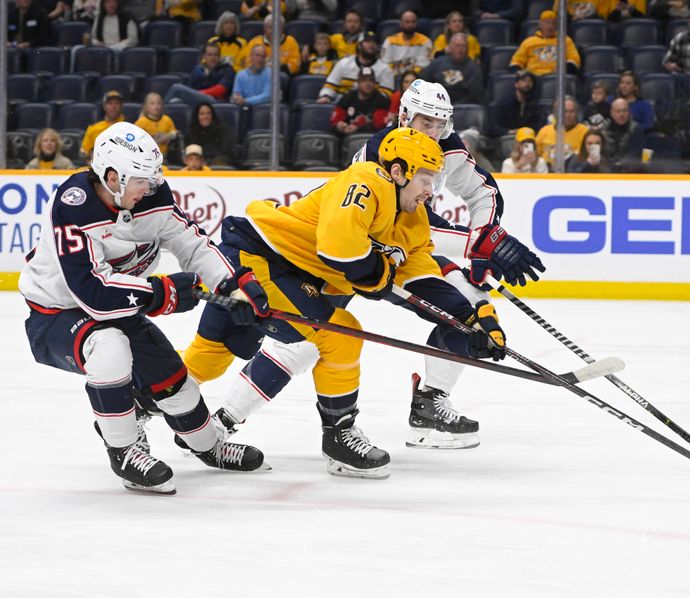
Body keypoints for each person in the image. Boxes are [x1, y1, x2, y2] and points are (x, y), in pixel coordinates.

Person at [208, 81, 545, 452]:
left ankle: (430, 402)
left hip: (390, 253)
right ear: (404, 117)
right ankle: (222, 420)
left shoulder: (446, 150)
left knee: (470, 304)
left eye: (439, 124)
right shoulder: (382, 157)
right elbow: (393, 228)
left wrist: (483, 240)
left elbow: (479, 194)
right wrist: (478, 243)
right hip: (336, 256)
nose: (432, 132)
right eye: (424, 122)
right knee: (306, 343)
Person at [183, 128, 510, 478]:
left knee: (207, 358)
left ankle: (153, 410)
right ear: (398, 171)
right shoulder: (365, 182)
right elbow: (342, 251)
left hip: (287, 275)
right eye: (426, 178)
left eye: (436, 180)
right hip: (256, 260)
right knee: (341, 334)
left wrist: (469, 320)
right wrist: (382, 276)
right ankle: (339, 438)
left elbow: (423, 280)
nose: (431, 191)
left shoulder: (413, 222)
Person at [18, 121, 270, 495]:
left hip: (119, 305)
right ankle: (123, 449)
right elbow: (92, 291)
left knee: (176, 384)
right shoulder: (74, 206)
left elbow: (191, 243)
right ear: (112, 175)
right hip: (56, 314)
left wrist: (234, 284)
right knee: (110, 349)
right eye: (141, 180)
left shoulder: (151, 196)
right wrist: (161, 293)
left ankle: (208, 446)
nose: (150, 188)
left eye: (153, 179)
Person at [318, 32, 394, 103]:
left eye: (374, 42)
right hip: (342, 102)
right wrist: (326, 96)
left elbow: (386, 94)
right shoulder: (343, 63)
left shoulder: (385, 69)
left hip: (370, 105)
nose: (372, 45)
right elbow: (330, 85)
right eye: (368, 42)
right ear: (359, 45)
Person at [510, 10, 581, 76]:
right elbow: (516, 61)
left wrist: (563, 70)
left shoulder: (565, 40)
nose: (550, 26)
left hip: (556, 77)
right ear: (540, 24)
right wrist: (519, 73)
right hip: (533, 79)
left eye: (553, 23)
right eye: (547, 23)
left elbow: (574, 59)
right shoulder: (528, 42)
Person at [420, 32, 485, 105]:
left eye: (463, 46)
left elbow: (475, 96)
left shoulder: (474, 69)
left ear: (467, 49)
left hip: (461, 108)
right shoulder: (438, 63)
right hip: (436, 105)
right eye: (457, 46)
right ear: (450, 47)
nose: (460, 49)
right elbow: (423, 80)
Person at [163, 42, 236, 106]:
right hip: (199, 102)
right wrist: (193, 95)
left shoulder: (227, 69)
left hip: (217, 102)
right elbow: (190, 87)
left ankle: (160, 116)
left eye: (215, 55)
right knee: (175, 101)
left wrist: (197, 93)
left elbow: (220, 90)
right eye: (209, 55)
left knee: (177, 88)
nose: (213, 58)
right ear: (204, 56)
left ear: (219, 56)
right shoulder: (198, 70)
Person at [330, 67, 391, 135]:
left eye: (371, 80)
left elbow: (378, 126)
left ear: (374, 83)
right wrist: (338, 126)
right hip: (346, 138)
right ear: (358, 83)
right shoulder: (347, 98)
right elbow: (335, 120)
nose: (368, 83)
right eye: (364, 80)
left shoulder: (381, 100)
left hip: (370, 138)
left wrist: (358, 129)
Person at [236, 13, 301, 75]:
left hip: (281, 74)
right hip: (258, 74)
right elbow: (247, 62)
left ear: (283, 28)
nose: (274, 31)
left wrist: (278, 66)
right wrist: (262, 65)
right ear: (264, 28)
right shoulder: (255, 42)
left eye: (277, 28)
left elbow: (296, 64)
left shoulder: (291, 41)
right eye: (270, 28)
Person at [535, 96, 589, 167]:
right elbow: (535, 156)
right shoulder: (544, 131)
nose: (568, 115)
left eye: (571, 111)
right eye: (564, 111)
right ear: (555, 113)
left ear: (576, 113)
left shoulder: (585, 132)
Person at [381, 10, 433, 74]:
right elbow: (384, 63)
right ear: (401, 24)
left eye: (413, 21)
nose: (410, 25)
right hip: (393, 77)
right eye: (407, 22)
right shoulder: (390, 41)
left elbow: (424, 64)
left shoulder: (425, 41)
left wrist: (409, 76)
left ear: (416, 23)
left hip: (415, 77)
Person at [80, 90, 126, 163]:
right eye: (110, 103)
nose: (113, 106)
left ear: (121, 106)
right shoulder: (94, 128)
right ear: (104, 106)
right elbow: (84, 152)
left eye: (117, 103)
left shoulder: (128, 127)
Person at [489, 69, 538, 137]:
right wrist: (508, 131)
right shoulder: (504, 104)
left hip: (526, 138)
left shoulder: (533, 105)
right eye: (523, 80)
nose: (527, 83)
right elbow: (492, 127)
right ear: (516, 84)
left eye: (530, 81)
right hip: (507, 138)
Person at [601, 98, 646, 164]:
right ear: (612, 113)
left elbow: (635, 153)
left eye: (625, 111)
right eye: (618, 111)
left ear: (629, 112)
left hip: (629, 168)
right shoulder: (603, 129)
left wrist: (621, 164)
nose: (621, 114)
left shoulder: (637, 129)